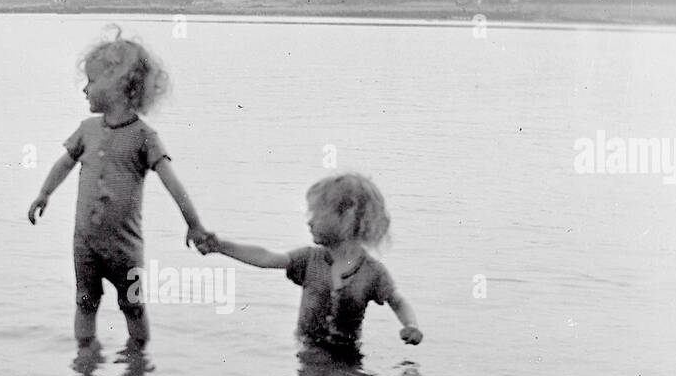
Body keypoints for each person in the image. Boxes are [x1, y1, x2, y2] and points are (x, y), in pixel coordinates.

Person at [28, 29, 210, 348]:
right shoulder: (87, 130)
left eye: (91, 81)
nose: (85, 89)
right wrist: (44, 193)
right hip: (85, 243)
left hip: (125, 247)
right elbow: (64, 164)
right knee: (85, 301)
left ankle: (137, 367)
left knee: (133, 307)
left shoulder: (143, 136)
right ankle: (85, 367)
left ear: (118, 85)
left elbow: (172, 183)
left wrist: (194, 225)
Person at [198, 173, 422, 354]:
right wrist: (221, 247)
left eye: (317, 214)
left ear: (347, 216)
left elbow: (398, 301)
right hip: (307, 353)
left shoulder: (372, 272)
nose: (309, 220)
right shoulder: (309, 259)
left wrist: (411, 326)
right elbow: (266, 258)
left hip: (348, 359)